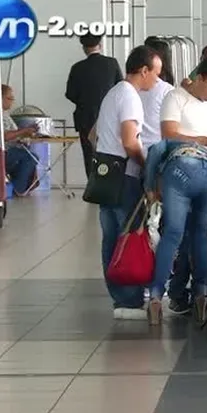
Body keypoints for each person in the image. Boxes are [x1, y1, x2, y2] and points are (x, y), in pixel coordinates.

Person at [147, 55, 207, 323]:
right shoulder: (175, 98)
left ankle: (158, 297)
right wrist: (205, 141)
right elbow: (169, 134)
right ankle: (199, 295)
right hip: (200, 172)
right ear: (199, 78)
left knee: (176, 233)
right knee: (198, 234)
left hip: (187, 172)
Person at [93, 45, 162, 321]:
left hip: (104, 176)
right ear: (144, 70)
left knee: (111, 238)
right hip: (125, 177)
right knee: (129, 237)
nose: (157, 79)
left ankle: (120, 299)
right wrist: (147, 166)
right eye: (155, 73)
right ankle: (130, 299)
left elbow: (93, 135)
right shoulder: (131, 97)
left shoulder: (113, 93)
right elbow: (130, 141)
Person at [65, 33, 123, 177]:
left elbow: (70, 94)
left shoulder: (77, 68)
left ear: (84, 48)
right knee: (110, 152)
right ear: (100, 45)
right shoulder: (112, 64)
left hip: (85, 118)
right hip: (110, 117)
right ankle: (109, 182)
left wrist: (85, 102)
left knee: (89, 154)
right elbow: (121, 88)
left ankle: (92, 184)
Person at [0, 84, 40, 196]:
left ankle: (21, 186)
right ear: (0, 98)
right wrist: (24, 131)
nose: (12, 102)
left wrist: (26, 131)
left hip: (10, 149)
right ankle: (17, 188)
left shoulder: (4, 114)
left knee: (27, 154)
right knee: (31, 157)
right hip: (2, 152)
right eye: (10, 98)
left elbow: (12, 133)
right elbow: (5, 136)